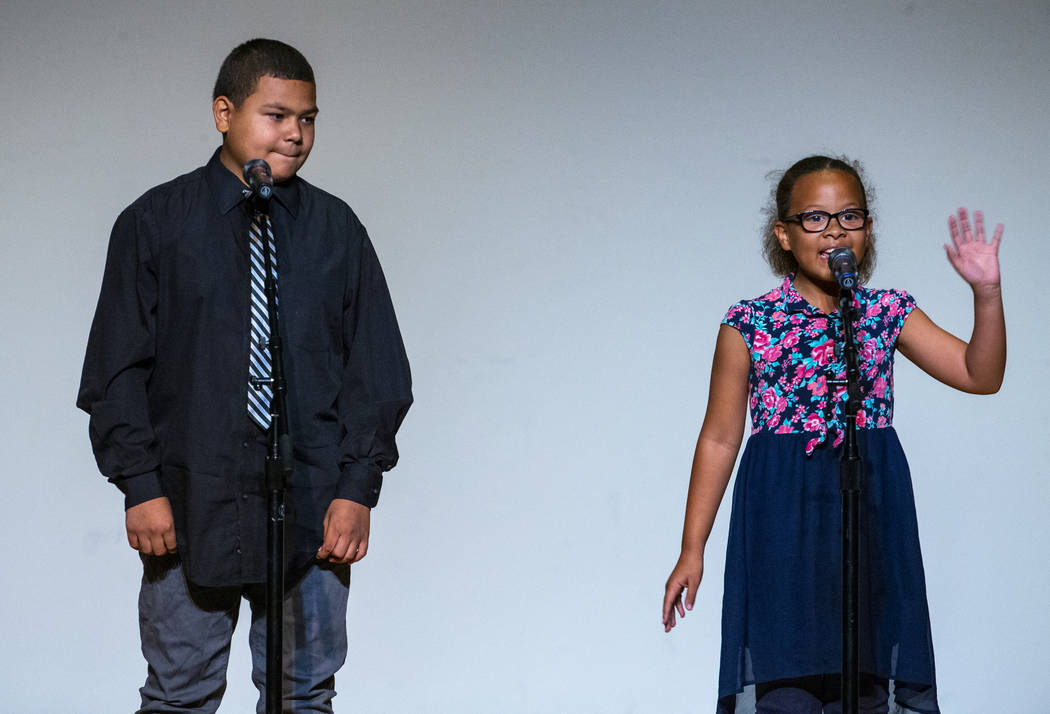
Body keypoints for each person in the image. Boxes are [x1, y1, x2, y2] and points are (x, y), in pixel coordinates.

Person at [77, 38, 412, 713]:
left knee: (305, 695)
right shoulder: (156, 223)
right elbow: (116, 368)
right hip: (189, 496)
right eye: (277, 114)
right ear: (224, 112)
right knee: (180, 693)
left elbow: (375, 371)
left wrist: (357, 488)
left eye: (308, 118)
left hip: (312, 505)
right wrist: (139, 485)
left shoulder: (334, 230)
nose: (295, 133)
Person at [661, 155, 1005, 713]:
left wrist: (986, 294)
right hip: (781, 513)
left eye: (849, 216)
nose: (835, 231)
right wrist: (690, 549)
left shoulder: (885, 312)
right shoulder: (748, 322)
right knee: (789, 683)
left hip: (870, 507)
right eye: (815, 219)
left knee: (865, 676)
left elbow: (979, 374)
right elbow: (720, 438)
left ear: (867, 229)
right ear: (785, 234)